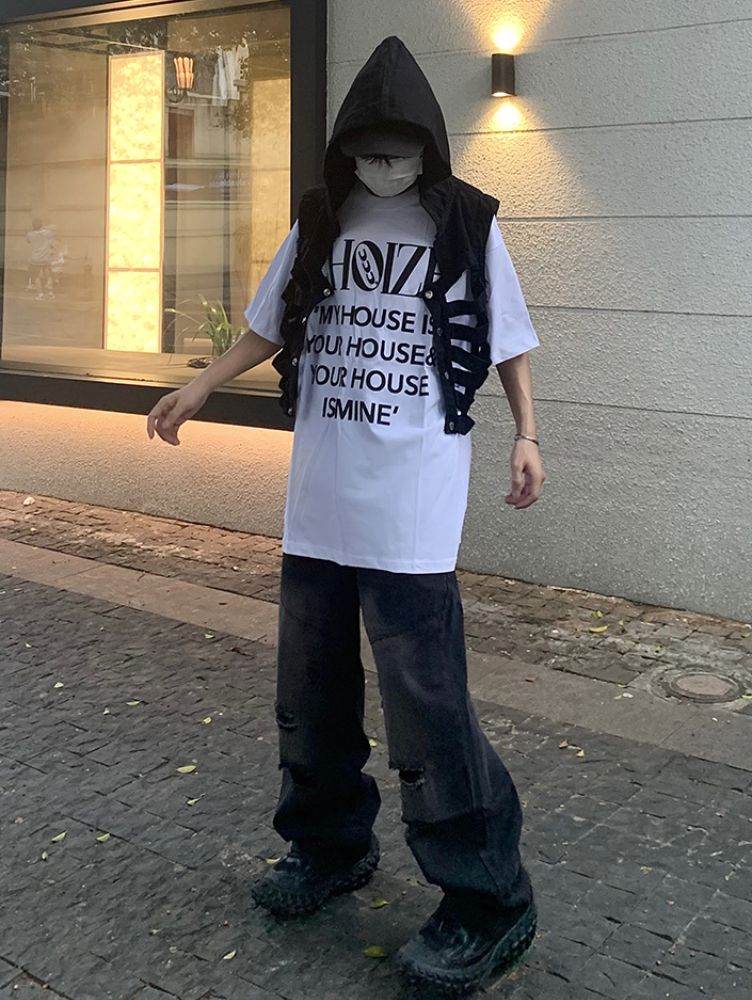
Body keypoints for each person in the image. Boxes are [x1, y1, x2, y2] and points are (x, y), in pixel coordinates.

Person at [147, 36, 545, 996]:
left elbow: (507, 338)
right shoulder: (322, 219)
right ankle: (328, 843)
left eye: (398, 152)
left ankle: (488, 898)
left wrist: (529, 433)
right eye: (368, 151)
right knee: (310, 690)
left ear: (428, 149)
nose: (383, 166)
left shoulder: (466, 224)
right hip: (320, 496)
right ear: (345, 152)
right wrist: (201, 384)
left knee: (428, 705)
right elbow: (269, 322)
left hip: (413, 500)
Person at [26, 218, 56, 300]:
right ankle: (50, 293)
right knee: (48, 275)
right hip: (46, 258)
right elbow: (53, 229)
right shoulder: (47, 233)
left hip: (35, 259)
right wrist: (44, 227)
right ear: (41, 225)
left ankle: (40, 294)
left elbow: (28, 241)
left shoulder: (30, 234)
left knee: (36, 276)